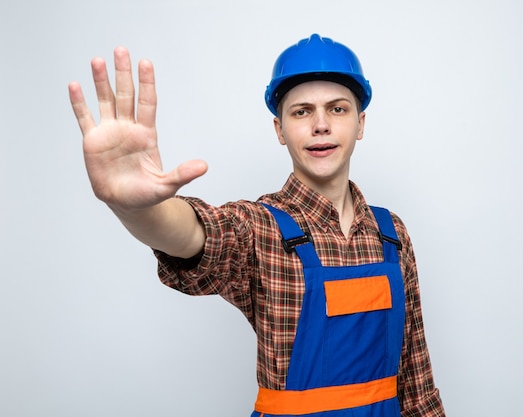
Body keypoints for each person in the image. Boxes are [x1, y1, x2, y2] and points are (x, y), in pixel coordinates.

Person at [69, 34, 445, 417]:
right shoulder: (262, 229)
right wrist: (139, 210)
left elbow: (417, 384)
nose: (320, 125)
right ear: (279, 130)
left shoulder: (391, 234)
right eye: (301, 111)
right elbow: (198, 235)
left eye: (337, 109)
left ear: (360, 122)